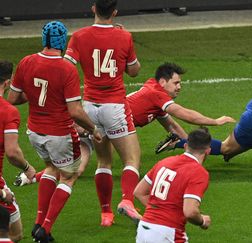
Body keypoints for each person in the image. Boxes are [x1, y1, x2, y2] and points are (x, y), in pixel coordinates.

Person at [7, 21, 102, 243]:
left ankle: (39, 223)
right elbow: (75, 111)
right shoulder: (66, 68)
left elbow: (12, 99)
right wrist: (93, 129)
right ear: (62, 42)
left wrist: (35, 94)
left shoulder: (26, 62)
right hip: (59, 134)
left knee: (51, 168)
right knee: (69, 176)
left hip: (34, 133)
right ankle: (45, 229)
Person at [64, 0, 143, 227]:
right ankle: (127, 200)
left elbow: (66, 68)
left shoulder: (79, 36)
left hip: (89, 107)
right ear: (115, 12)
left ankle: (106, 214)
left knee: (103, 161)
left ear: (93, 9)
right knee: (131, 159)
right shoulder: (124, 36)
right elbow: (134, 70)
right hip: (115, 106)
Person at [127, 62, 235, 153]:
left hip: (116, 123)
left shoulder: (156, 94)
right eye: (176, 83)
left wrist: (192, 148)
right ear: (163, 82)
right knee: (132, 161)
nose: (179, 87)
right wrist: (215, 121)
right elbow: (184, 114)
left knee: (130, 160)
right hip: (114, 122)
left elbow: (172, 126)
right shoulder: (156, 93)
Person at [134, 128, 212, 243]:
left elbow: (139, 192)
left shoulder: (165, 162)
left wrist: (160, 211)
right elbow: (190, 212)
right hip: (167, 233)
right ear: (208, 151)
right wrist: (202, 221)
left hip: (144, 228)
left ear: (186, 146)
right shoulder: (199, 172)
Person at [0, 60, 37, 242]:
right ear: (7, 83)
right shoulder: (7, 111)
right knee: (15, 234)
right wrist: (27, 168)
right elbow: (12, 153)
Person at [13, 123, 94, 186]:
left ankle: (32, 178)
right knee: (76, 171)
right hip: (84, 135)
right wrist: (87, 132)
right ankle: (31, 178)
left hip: (96, 130)